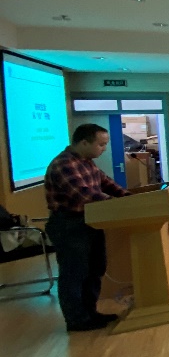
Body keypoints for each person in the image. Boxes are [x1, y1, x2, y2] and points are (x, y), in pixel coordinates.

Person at [44, 124, 131, 331]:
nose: (104, 149)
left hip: (90, 221)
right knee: (75, 273)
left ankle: (90, 313)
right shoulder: (63, 164)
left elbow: (107, 183)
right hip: (69, 225)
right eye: (101, 144)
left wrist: (129, 198)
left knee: (95, 269)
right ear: (84, 142)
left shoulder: (87, 162)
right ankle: (77, 320)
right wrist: (119, 205)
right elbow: (86, 195)